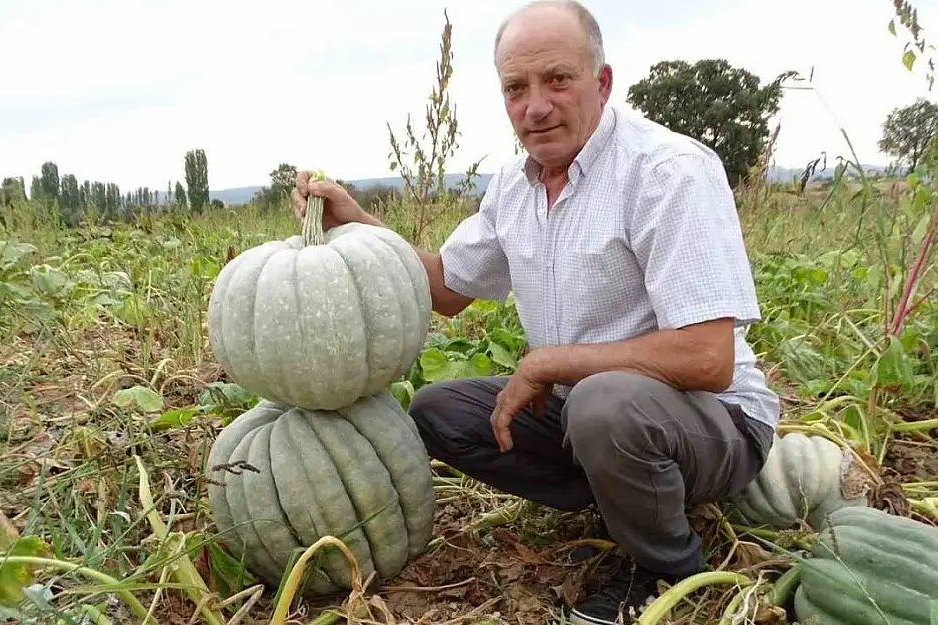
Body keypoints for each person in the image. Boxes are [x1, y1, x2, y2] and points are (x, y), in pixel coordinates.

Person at [290, 1, 780, 622]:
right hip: (595, 412)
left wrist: (552, 362)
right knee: (439, 412)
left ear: (601, 83)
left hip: (717, 422)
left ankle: (664, 564)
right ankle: (626, 493)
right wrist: (355, 223)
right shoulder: (516, 185)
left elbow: (708, 358)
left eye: (558, 80)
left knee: (605, 404)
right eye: (516, 88)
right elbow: (447, 289)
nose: (536, 105)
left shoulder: (667, 172)